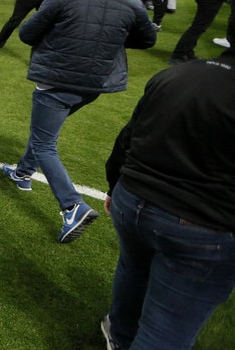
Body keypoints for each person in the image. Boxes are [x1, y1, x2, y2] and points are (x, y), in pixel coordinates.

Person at [1, 0, 158, 243]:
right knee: (45, 131)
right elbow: (147, 39)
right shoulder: (131, 2)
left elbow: (27, 33)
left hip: (57, 80)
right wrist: (110, 38)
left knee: (45, 143)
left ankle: (73, 206)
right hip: (95, 84)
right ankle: (22, 172)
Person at [101, 47, 235, 350]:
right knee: (166, 331)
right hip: (203, 225)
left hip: (131, 200)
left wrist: (114, 185)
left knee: (133, 270)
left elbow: (128, 136)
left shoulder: (178, 74)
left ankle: (119, 336)